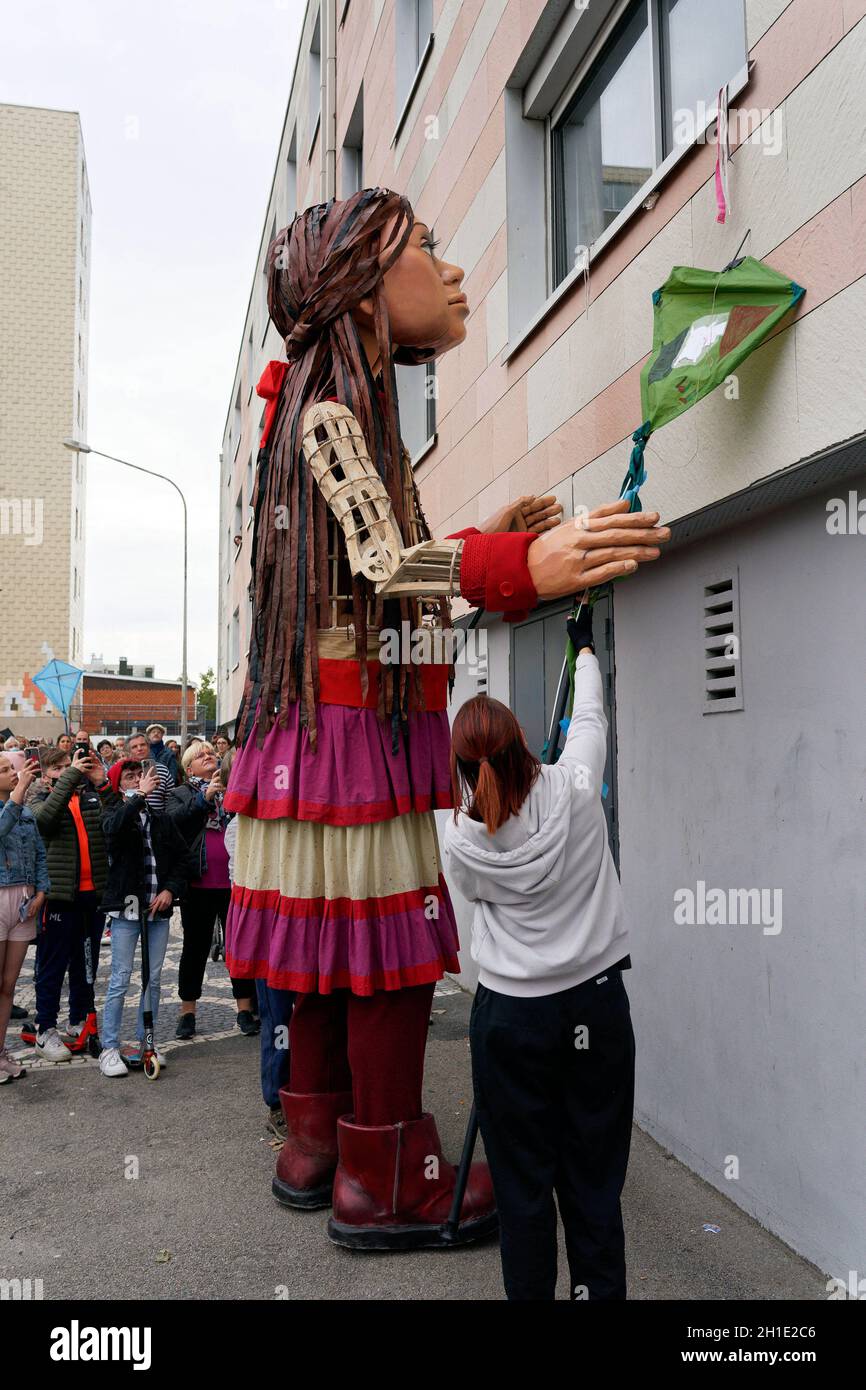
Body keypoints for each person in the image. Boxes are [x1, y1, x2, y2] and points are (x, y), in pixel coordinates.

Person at [222, 187, 668, 1250]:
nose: (450, 266)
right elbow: (386, 567)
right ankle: (390, 1179)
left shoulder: (325, 416)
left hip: (322, 738)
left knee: (327, 958)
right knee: (389, 960)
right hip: (357, 739)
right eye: (422, 246)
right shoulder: (335, 417)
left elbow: (381, 567)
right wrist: (515, 561)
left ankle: (318, 1145)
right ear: (361, 289)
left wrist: (485, 536)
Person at [443, 601, 634, 1300]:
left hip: (511, 1024)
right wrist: (583, 649)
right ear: (525, 741)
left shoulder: (461, 841)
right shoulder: (579, 791)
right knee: (594, 1186)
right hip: (597, 1009)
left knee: (523, 1197)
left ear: (464, 769)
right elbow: (590, 721)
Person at [98, 759, 192, 1077]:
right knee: (120, 978)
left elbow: (183, 859)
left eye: (141, 775)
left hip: (157, 911)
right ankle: (108, 1046)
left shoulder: (161, 820)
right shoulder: (116, 812)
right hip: (126, 910)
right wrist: (136, 797)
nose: (140, 780)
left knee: (152, 979)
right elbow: (111, 831)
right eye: (131, 777)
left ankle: (145, 1041)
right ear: (120, 784)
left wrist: (170, 890)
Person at [31, 746, 118, 1061]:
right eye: (61, 767)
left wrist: (102, 782)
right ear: (46, 774)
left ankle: (79, 1019)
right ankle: (45, 1028)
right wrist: (69, 778)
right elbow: (45, 823)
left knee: (87, 962)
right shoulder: (39, 799)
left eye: (73, 765)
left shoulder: (90, 797)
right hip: (59, 897)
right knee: (52, 964)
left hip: (91, 895)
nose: (72, 770)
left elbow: (116, 819)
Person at [168, 741, 259, 1039]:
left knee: (237, 947)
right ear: (189, 768)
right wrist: (204, 798)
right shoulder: (180, 794)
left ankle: (245, 1010)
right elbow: (174, 825)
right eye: (200, 756)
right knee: (194, 949)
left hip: (235, 883)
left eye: (211, 754)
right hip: (198, 883)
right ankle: (187, 1013)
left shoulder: (233, 788)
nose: (208, 757)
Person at [224, 747, 292, 1138]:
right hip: (271, 935)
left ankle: (307, 1095)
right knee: (278, 1019)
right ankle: (277, 1101)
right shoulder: (241, 827)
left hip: (298, 931)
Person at [0, 756, 49, 1081]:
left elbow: (40, 854)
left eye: (11, 767)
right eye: (5, 770)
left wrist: (42, 892)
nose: (14, 772)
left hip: (25, 900)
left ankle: (0, 1052)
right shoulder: (16, 806)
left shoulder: (28, 812)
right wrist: (21, 787)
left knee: (8, 985)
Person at [124, 732, 172, 812]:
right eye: (134, 747)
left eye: (142, 745)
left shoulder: (163, 769)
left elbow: (170, 801)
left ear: (149, 747)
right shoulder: (124, 772)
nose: (139, 748)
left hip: (158, 821)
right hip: (131, 820)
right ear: (129, 751)